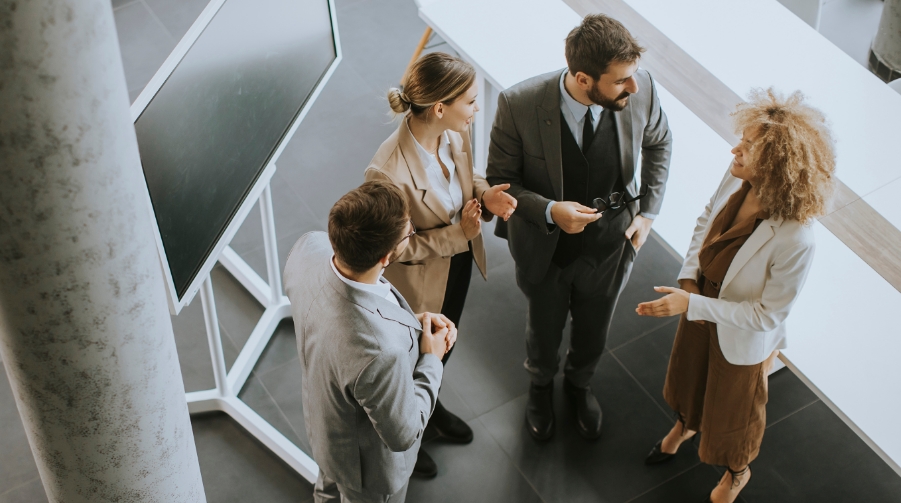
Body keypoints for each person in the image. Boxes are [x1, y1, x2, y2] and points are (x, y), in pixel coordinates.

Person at [636, 89, 835, 503]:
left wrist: (692, 304)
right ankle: (685, 424)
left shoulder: (797, 239)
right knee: (690, 377)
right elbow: (707, 217)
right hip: (700, 302)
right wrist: (689, 278)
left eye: (748, 146)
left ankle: (737, 472)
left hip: (738, 332)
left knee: (734, 416)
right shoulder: (737, 173)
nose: (735, 149)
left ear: (777, 164)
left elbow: (767, 315)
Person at [486, 14, 672, 440]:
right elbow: (501, 182)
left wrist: (648, 213)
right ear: (583, 78)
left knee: (596, 324)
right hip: (545, 248)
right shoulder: (519, 104)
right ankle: (540, 385)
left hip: (612, 243)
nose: (634, 88)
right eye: (621, 81)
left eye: (634, 76)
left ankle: (579, 383)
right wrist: (551, 211)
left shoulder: (640, 91)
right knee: (544, 325)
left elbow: (660, 141)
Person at [365, 52, 517, 476]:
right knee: (411, 361)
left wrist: (485, 196)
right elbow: (394, 249)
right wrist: (460, 235)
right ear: (440, 107)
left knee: (441, 347)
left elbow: (470, 178)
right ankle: (404, 438)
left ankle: (429, 408)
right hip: (420, 283)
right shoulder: (386, 172)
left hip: (459, 265)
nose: (476, 108)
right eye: (470, 101)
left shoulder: (454, 134)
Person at [283, 180, 458, 503]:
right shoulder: (380, 353)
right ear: (386, 257)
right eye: (409, 232)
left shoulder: (308, 249)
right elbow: (403, 432)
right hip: (367, 471)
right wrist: (432, 357)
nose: (411, 231)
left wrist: (407, 324)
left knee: (327, 491)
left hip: (325, 428)